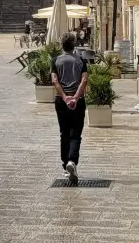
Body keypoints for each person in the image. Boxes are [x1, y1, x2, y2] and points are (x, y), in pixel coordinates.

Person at [51, 32, 88, 183]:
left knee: (64, 132)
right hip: (77, 101)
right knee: (76, 133)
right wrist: (75, 97)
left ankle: (65, 164)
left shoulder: (55, 60)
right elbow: (84, 80)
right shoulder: (80, 60)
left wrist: (66, 98)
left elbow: (54, 81)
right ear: (74, 44)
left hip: (61, 100)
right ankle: (72, 161)